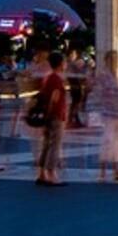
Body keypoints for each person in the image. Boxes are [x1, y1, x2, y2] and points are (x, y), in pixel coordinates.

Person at [91, 50, 118, 182]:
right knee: (108, 140)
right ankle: (103, 171)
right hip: (108, 113)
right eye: (113, 60)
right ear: (107, 61)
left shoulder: (114, 76)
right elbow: (102, 92)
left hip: (116, 112)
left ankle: (116, 170)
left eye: (117, 60)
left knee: (117, 142)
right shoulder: (103, 75)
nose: (116, 63)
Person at [35, 51, 68, 185]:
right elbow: (54, 98)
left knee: (46, 144)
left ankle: (42, 173)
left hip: (49, 115)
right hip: (55, 115)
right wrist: (51, 113)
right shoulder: (56, 79)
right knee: (55, 144)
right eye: (64, 62)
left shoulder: (48, 77)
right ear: (60, 63)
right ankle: (51, 173)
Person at [66, 49, 87, 128]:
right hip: (74, 85)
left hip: (75, 85)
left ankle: (74, 119)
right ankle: (72, 120)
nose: (74, 56)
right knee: (75, 103)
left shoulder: (71, 64)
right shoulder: (71, 64)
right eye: (73, 54)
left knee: (75, 103)